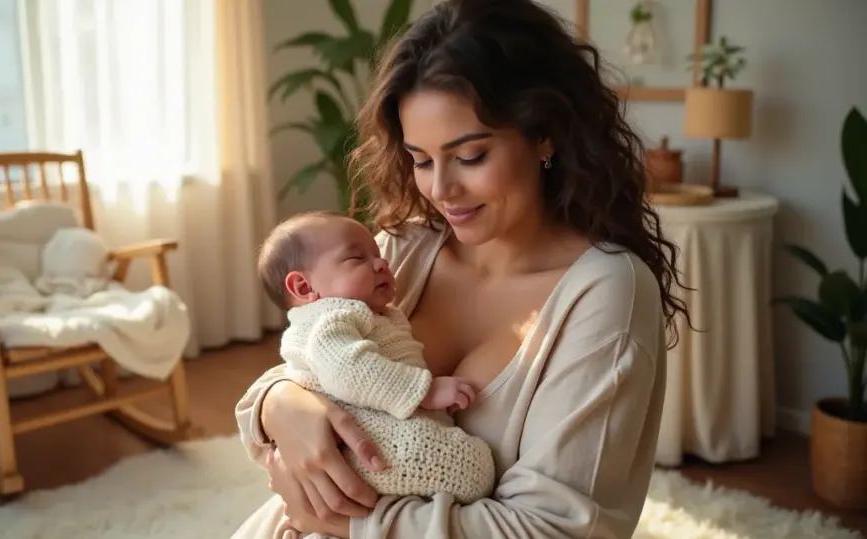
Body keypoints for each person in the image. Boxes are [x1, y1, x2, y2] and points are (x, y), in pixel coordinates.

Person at [232, 0, 690, 536]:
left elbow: (550, 529)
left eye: (470, 157)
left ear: (544, 133)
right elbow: (313, 349)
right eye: (421, 160)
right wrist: (278, 404)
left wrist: (348, 522)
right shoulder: (404, 248)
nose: (441, 190)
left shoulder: (605, 293)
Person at [255, 211, 497, 522]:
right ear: (304, 287)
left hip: (367, 435)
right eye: (357, 258)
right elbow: (347, 368)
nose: (382, 263)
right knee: (467, 469)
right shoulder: (330, 316)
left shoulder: (364, 311)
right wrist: (424, 390)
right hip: (354, 438)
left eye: (378, 255)